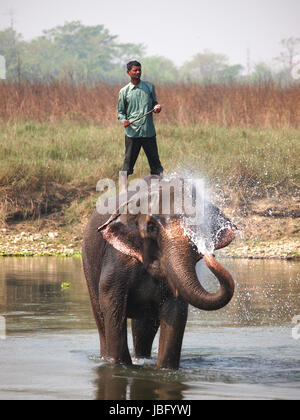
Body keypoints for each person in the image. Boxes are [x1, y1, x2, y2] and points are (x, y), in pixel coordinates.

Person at [117, 60, 164, 192]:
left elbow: (155, 103)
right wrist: (124, 121)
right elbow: (120, 112)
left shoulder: (149, 87)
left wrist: (157, 107)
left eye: (139, 70)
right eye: (135, 70)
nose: (138, 72)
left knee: (155, 161)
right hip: (132, 133)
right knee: (128, 161)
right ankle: (123, 188)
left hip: (148, 131)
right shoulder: (124, 91)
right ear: (128, 72)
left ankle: (159, 186)